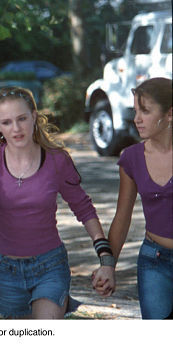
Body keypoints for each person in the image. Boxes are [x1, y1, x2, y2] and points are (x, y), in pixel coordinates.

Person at [0, 86, 115, 319]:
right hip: (7, 270)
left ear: (34, 117)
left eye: (22, 119)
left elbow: (84, 209)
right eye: (6, 122)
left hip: (50, 266)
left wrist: (106, 259)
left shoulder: (57, 160)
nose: (16, 129)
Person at [95, 77, 172, 319]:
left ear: (170, 114)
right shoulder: (131, 158)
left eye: (145, 111)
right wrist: (109, 265)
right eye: (135, 110)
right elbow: (122, 217)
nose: (137, 118)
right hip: (154, 262)